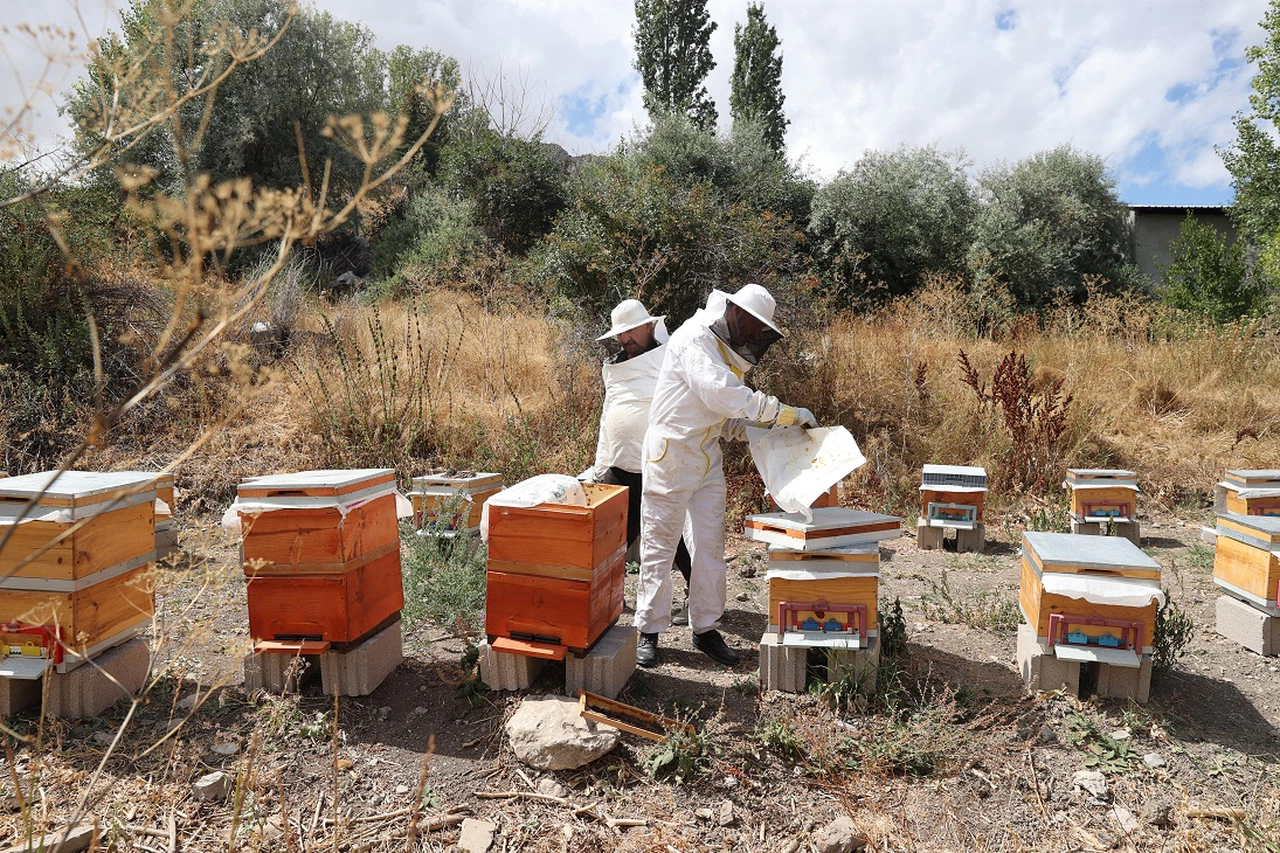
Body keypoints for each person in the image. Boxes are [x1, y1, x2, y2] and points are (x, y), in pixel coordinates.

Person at [635, 283, 816, 668]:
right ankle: (648, 630)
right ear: (734, 314)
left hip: (705, 460)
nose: (753, 336)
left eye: (758, 332)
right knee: (659, 547)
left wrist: (777, 432)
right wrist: (786, 413)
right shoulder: (693, 341)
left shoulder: (722, 350)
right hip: (669, 457)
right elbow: (728, 398)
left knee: (710, 549)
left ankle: (705, 628)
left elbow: (725, 419)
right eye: (752, 327)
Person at [587, 299, 694, 622]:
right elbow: (608, 416)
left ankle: (697, 599)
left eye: (630, 331)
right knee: (613, 538)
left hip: (659, 463)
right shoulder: (617, 365)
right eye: (619, 334)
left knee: (670, 535)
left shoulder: (670, 358)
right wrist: (599, 464)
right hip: (618, 465)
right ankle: (604, 601)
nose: (624, 339)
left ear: (649, 326)